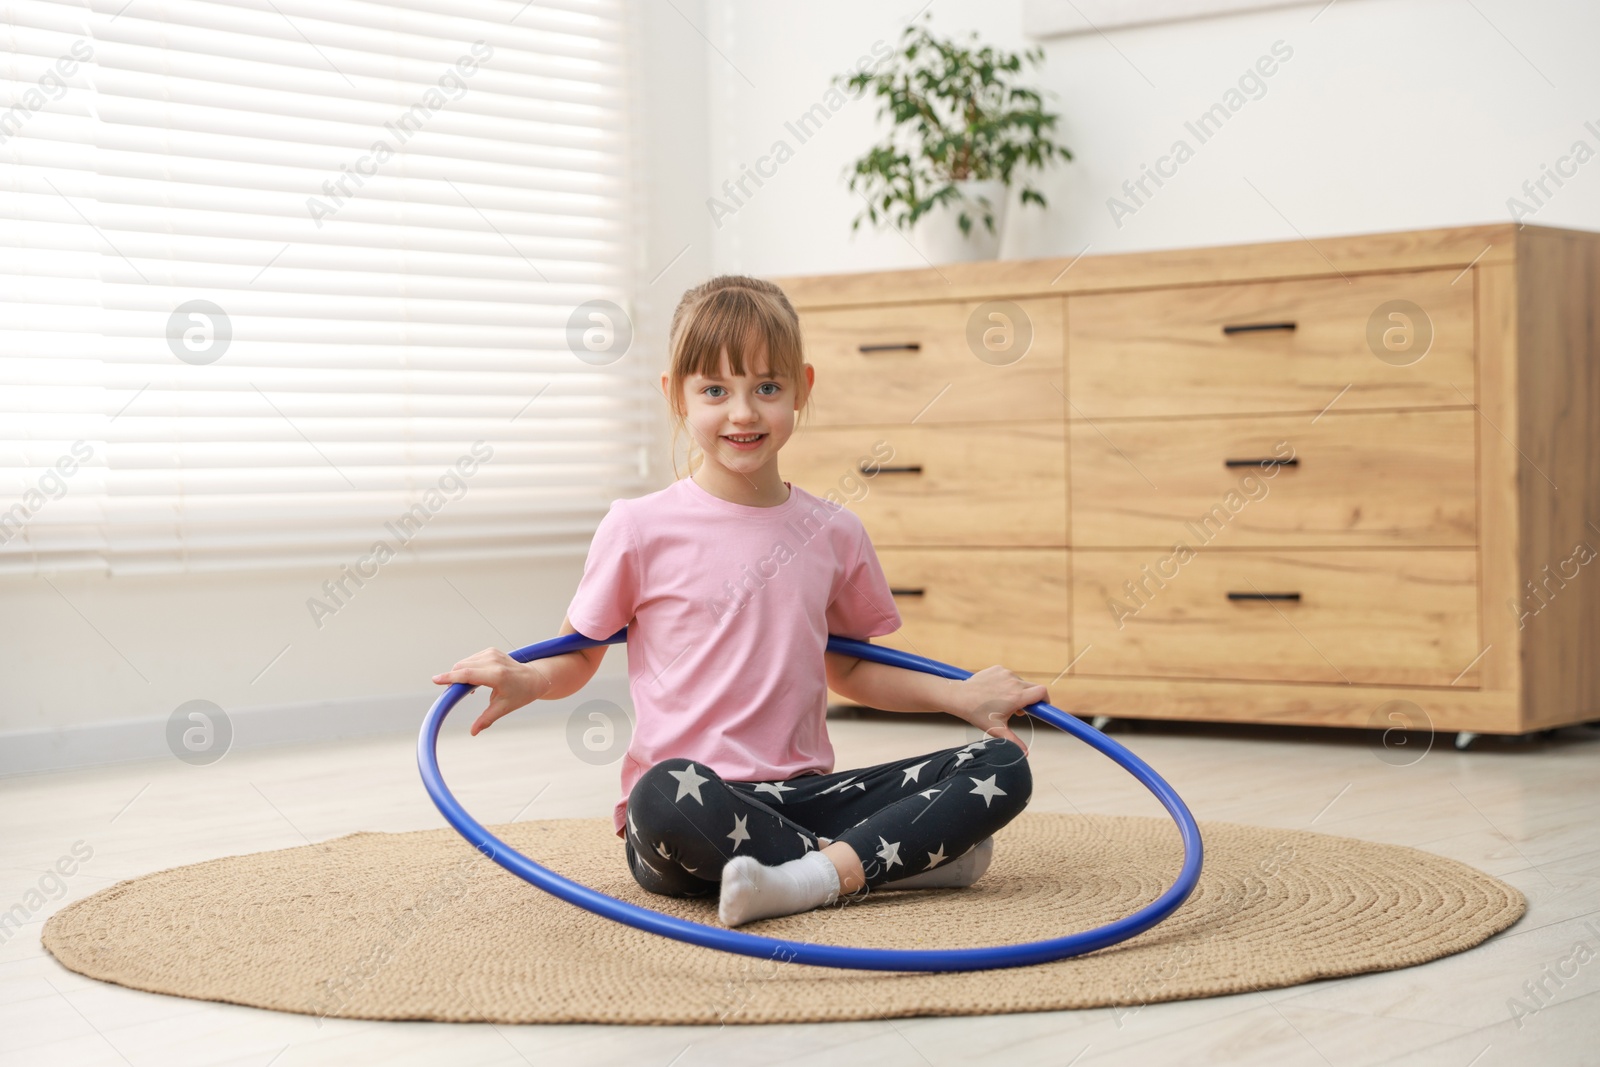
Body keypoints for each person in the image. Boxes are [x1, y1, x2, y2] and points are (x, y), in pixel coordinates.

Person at [432, 274, 1042, 927]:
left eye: (768, 388)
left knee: (1002, 764)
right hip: (695, 814)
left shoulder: (836, 532)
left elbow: (852, 667)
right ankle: (876, 862)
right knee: (661, 792)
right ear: (676, 395)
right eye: (715, 390)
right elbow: (578, 655)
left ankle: (811, 873)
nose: (744, 412)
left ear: (803, 387)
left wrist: (960, 695)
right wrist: (525, 677)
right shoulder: (638, 527)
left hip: (804, 797)